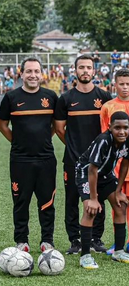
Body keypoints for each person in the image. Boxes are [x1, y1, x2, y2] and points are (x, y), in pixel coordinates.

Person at [54, 55, 113, 254]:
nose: (85, 71)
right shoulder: (66, 99)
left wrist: (97, 153)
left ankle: (96, 238)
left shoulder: (104, 98)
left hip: (99, 161)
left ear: (94, 71)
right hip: (73, 160)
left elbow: (109, 128)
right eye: (82, 67)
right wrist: (74, 148)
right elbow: (60, 129)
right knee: (71, 200)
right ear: (75, 71)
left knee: (98, 199)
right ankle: (75, 241)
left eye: (89, 67)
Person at [0, 57, 58, 253]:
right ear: (21, 73)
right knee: (21, 202)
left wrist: (44, 139)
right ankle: (21, 241)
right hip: (20, 160)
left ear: (42, 74)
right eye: (29, 71)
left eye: (36, 71)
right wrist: (16, 142)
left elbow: (55, 126)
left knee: (47, 202)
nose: (33, 75)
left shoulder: (51, 96)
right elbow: (2, 125)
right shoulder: (11, 97)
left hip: (45, 159)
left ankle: (47, 241)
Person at [77, 111, 129, 269]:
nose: (122, 131)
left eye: (125, 127)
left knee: (120, 205)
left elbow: (125, 164)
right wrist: (94, 198)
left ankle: (118, 251)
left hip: (106, 174)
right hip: (86, 173)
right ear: (110, 127)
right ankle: (85, 256)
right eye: (117, 127)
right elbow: (92, 169)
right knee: (90, 210)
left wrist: (118, 191)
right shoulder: (103, 140)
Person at [100, 68, 129, 255]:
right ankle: (117, 241)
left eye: (128, 84)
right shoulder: (107, 107)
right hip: (115, 164)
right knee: (116, 201)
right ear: (115, 85)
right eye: (121, 84)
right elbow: (105, 136)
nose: (125, 87)